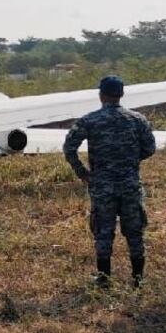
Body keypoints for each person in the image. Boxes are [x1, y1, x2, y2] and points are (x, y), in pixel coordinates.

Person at [63, 76, 156, 287]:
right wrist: (131, 160)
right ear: (121, 94)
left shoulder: (90, 120)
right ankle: (138, 280)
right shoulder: (137, 119)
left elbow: (69, 147)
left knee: (103, 232)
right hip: (130, 184)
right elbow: (150, 148)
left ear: (101, 95)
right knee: (134, 232)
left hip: (102, 185)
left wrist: (82, 172)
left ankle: (104, 279)